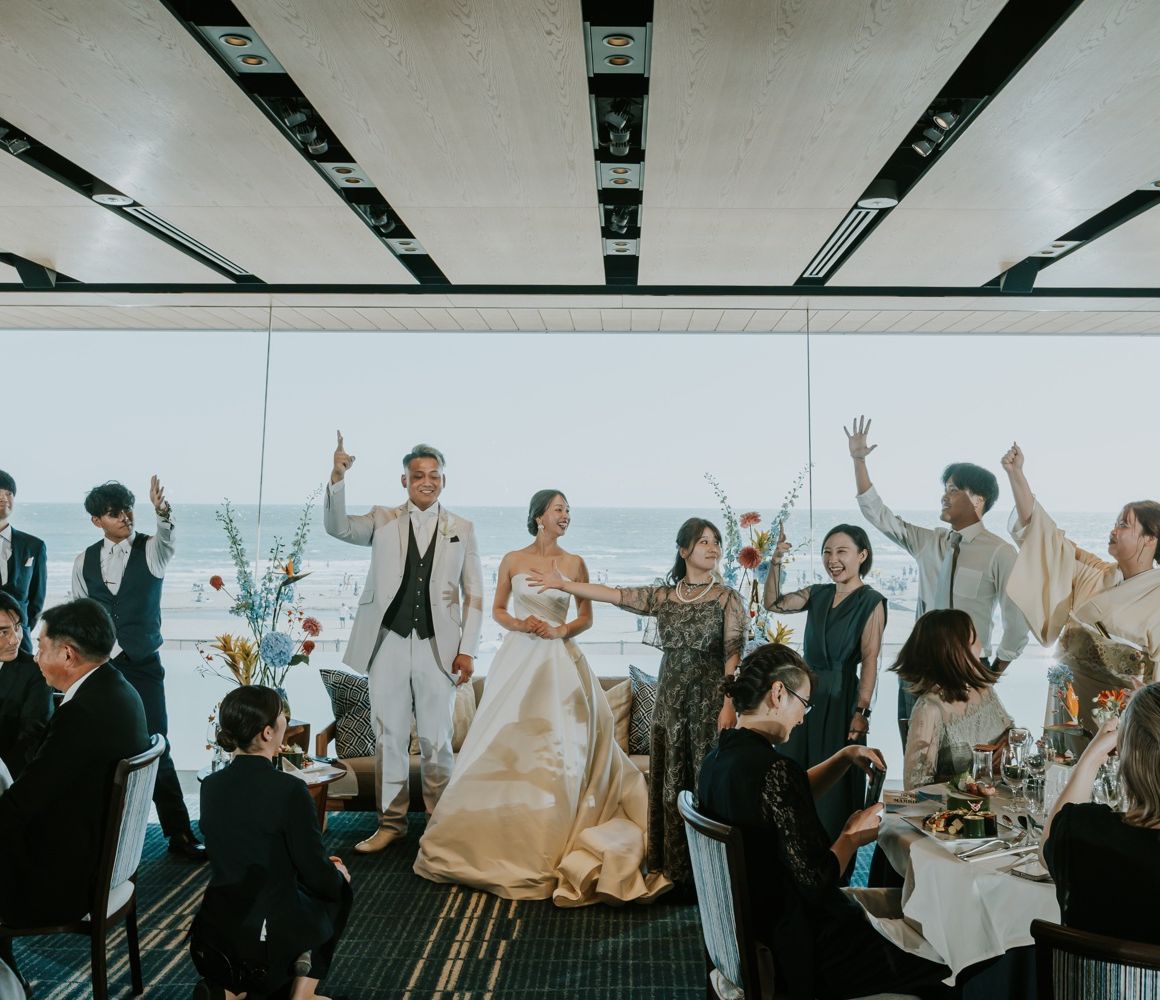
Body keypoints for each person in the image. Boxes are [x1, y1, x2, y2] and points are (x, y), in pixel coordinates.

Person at [415, 491, 669, 905]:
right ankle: (494, 836)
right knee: (506, 742)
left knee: (559, 747)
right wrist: (521, 624)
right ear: (539, 517)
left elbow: (585, 616)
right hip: (519, 656)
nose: (566, 515)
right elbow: (498, 609)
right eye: (558, 509)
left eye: (568, 510)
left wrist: (560, 629)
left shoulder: (575, 563)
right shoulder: (513, 559)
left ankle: (551, 833)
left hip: (560, 659)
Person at [698, 643, 952, 1000]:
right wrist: (851, 836)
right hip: (803, 949)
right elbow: (818, 880)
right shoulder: (774, 770)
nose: (803, 718)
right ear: (778, 693)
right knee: (951, 954)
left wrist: (844, 757)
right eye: (803, 704)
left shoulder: (719, 759)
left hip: (757, 926)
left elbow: (783, 799)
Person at [527, 517, 746, 888]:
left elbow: (733, 654)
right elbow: (615, 594)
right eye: (704, 541)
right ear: (684, 550)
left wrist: (729, 704)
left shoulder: (727, 598)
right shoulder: (664, 596)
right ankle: (674, 868)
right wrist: (565, 584)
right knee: (671, 783)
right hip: (670, 704)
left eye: (716, 542)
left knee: (707, 781)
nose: (713, 548)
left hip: (709, 703)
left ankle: (712, 875)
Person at [324, 434, 483, 854]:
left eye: (434, 475)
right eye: (418, 475)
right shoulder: (382, 520)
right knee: (389, 737)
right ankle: (390, 824)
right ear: (405, 480)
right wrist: (338, 477)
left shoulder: (462, 529)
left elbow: (474, 595)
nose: (426, 481)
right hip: (387, 643)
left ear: (443, 481)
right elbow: (337, 527)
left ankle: (438, 825)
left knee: (437, 740)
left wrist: (468, 649)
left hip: (439, 648)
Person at [846, 415, 1027, 744]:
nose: (945, 497)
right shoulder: (929, 542)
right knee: (916, 752)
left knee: (964, 757)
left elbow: (1016, 621)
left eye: (954, 491)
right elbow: (879, 515)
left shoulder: (1000, 552)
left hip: (968, 668)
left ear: (978, 501)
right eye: (945, 490)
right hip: (919, 666)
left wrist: (992, 671)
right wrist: (859, 461)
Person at [71, 477, 205, 862]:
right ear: (97, 520)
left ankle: (179, 833)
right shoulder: (83, 561)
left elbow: (168, 537)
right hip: (101, 668)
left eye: (128, 509)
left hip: (143, 664)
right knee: (101, 746)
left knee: (156, 743)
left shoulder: (152, 550)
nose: (125, 517)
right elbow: (81, 615)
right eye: (114, 513)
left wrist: (162, 511)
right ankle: (99, 838)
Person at [190, 685, 352, 1000]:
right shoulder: (290, 790)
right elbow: (314, 873)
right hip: (267, 935)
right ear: (267, 732)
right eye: (282, 716)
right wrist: (336, 875)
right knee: (337, 889)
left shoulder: (210, 786)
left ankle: (230, 991)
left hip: (212, 932)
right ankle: (302, 994)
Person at [0, 599, 149, 928]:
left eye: (41, 648)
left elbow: (24, 803)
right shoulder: (118, 689)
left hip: (65, 880)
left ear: (67, 654)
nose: (35, 657)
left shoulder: (81, 714)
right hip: (102, 854)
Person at [1002, 443, 1160, 739]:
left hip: (1118, 714)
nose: (1113, 530)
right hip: (1066, 697)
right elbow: (1045, 539)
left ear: (1150, 539)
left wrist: (1147, 703)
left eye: (1124, 525)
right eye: (1115, 524)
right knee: (1060, 761)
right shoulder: (1095, 573)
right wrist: (1016, 475)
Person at [762, 523, 886, 841]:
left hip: (842, 697)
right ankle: (787, 847)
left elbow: (870, 660)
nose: (833, 559)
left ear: (862, 555)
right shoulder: (817, 593)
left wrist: (862, 711)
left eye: (842, 551)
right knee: (790, 773)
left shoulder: (871, 601)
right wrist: (776, 560)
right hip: (802, 694)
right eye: (827, 552)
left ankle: (832, 853)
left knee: (834, 784)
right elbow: (772, 603)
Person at [1041, 684, 1160, 944]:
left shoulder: (1083, 831)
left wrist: (1090, 759)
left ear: (1127, 753)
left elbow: (1047, 848)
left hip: (1087, 973)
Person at [892, 610, 1013, 790]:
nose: (980, 646)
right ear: (953, 651)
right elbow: (915, 788)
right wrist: (966, 786)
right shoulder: (929, 710)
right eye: (973, 639)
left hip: (1001, 795)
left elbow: (1011, 733)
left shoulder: (983, 688)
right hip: (960, 806)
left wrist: (1008, 745)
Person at [0, 592, 53, 780]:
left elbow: (31, 741)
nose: (15, 639)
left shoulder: (35, 672)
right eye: (3, 632)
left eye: (17, 627)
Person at [0, 470, 46, 656]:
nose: (4, 498)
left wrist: (22, 627)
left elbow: (37, 599)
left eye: (9, 493)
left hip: (20, 641)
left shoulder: (34, 545)